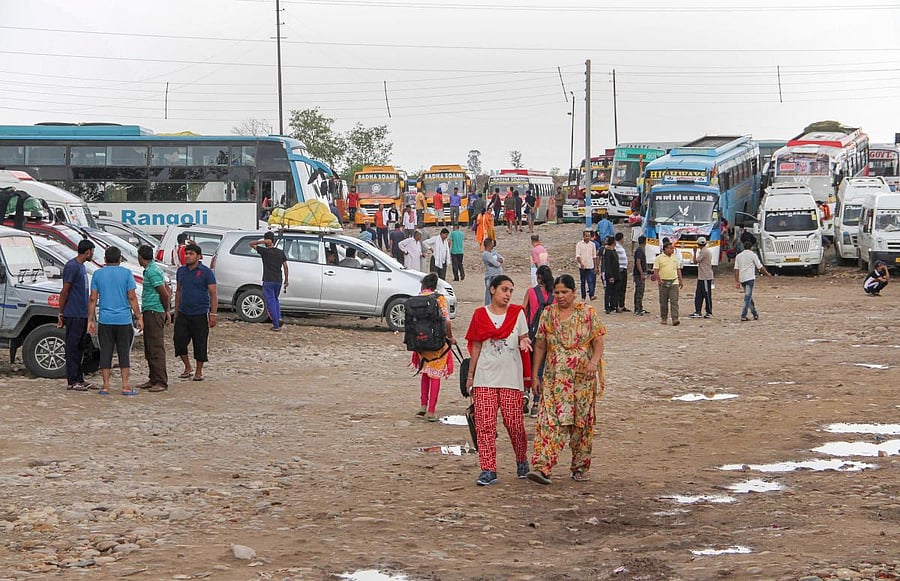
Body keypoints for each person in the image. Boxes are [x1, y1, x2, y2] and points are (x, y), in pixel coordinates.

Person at [527, 274, 606, 485]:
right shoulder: (548, 314)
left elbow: (598, 341)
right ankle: (542, 467)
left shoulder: (587, 313)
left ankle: (580, 467)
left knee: (581, 424)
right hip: (555, 378)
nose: (560, 296)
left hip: (582, 378)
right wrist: (535, 375)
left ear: (573, 292)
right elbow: (541, 346)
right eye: (557, 292)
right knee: (550, 421)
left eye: (565, 292)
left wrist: (593, 363)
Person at [464, 275, 531, 486]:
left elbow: (524, 338)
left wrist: (525, 342)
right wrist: (470, 375)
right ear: (492, 290)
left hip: (511, 378)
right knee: (485, 425)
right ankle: (488, 469)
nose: (508, 294)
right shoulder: (479, 315)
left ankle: (521, 459)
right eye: (504, 289)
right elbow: (475, 346)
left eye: (511, 290)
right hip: (485, 377)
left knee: (514, 424)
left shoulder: (517, 314)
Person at [88, 246, 143, 395]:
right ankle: (125, 386)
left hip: (105, 319)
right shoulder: (126, 274)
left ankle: (105, 386)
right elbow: (132, 297)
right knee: (123, 352)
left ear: (105, 259)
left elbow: (93, 298)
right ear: (120, 259)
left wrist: (90, 320)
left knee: (105, 352)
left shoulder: (98, 274)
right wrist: (139, 316)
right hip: (123, 320)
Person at [412, 273, 455, 422]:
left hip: (420, 342)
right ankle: (431, 411)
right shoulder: (439, 299)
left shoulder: (417, 298)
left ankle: (423, 405)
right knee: (435, 375)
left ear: (423, 285)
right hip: (437, 343)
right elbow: (447, 322)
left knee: (425, 371)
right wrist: (450, 337)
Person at [174, 244, 217, 381]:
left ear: (199, 256)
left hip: (200, 312)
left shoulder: (206, 272)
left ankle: (199, 371)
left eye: (191, 254)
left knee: (200, 343)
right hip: (183, 312)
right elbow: (179, 291)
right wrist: (176, 310)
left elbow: (213, 294)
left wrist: (213, 314)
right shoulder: (181, 271)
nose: (187, 256)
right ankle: (187, 366)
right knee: (179, 341)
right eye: (186, 253)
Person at [57, 239, 97, 391]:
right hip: (73, 314)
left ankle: (79, 378)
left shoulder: (81, 267)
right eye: (92, 251)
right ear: (87, 252)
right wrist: (61, 313)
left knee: (80, 348)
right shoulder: (72, 266)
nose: (92, 254)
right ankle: (72, 381)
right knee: (72, 348)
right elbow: (65, 291)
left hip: (82, 314)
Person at [136, 244, 171, 392]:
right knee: (149, 347)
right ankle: (153, 378)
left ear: (140, 257)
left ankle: (161, 381)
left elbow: (164, 293)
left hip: (154, 311)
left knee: (156, 347)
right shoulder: (150, 270)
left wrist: (165, 310)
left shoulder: (153, 271)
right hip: (149, 310)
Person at [523, 264, 554, 418]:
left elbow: (523, 310)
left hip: (530, 334)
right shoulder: (554, 296)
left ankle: (526, 393)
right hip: (547, 337)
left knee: (527, 366)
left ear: (539, 277)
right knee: (540, 370)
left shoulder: (530, 292)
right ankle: (536, 403)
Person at [250, 232, 289, 331]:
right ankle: (279, 318)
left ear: (267, 241)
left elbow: (251, 244)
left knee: (270, 301)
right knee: (275, 299)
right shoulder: (280, 252)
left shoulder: (264, 251)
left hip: (268, 279)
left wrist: (263, 241)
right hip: (278, 280)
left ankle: (276, 325)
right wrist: (286, 280)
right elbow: (285, 266)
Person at [734, 242, 770, 321]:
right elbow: (760, 267)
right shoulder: (753, 255)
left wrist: (737, 281)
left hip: (742, 278)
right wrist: (767, 274)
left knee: (749, 296)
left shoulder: (738, 256)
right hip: (750, 278)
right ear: (751, 247)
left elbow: (736, 269)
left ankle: (755, 313)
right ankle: (744, 315)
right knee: (747, 297)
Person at [654, 241, 683, 326]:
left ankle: (675, 318)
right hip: (663, 282)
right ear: (665, 249)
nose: (672, 250)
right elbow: (656, 270)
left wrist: (681, 280)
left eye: (673, 248)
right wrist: (659, 280)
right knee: (663, 302)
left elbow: (678, 269)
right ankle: (664, 318)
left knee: (674, 301)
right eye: (670, 248)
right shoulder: (659, 258)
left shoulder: (674, 258)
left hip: (674, 282)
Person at [691, 236, 714, 318]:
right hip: (702, 276)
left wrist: (694, 252)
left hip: (705, 276)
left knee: (706, 294)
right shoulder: (705, 251)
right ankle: (698, 311)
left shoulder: (704, 252)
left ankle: (709, 312)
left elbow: (695, 261)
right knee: (699, 295)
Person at [575, 230, 598, 301]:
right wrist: (581, 263)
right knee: (583, 282)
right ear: (583, 236)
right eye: (586, 236)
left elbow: (594, 256)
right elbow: (578, 256)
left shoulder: (592, 245)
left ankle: (591, 295)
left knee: (590, 281)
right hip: (582, 266)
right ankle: (583, 297)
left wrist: (596, 266)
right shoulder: (579, 244)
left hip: (590, 265)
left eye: (589, 236)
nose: (587, 237)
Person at [481, 238, 504, 305]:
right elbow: (496, 264)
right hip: (491, 276)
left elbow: (502, 259)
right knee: (489, 292)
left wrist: (498, 261)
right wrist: (499, 262)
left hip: (497, 275)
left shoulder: (493, 252)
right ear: (489, 244)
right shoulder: (486, 254)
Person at [601, 236, 619, 314]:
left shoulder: (613, 250)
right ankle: (607, 307)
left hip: (616, 274)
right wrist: (610, 276)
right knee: (608, 291)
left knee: (614, 291)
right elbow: (607, 264)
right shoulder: (608, 252)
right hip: (610, 274)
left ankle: (613, 306)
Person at [632, 235, 649, 316]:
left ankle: (640, 307)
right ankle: (637, 308)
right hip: (638, 275)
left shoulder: (641, 250)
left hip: (640, 274)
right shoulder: (639, 251)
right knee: (639, 291)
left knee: (641, 291)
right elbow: (638, 262)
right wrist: (642, 273)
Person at [614, 231, 629, 312]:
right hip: (619, 269)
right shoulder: (615, 246)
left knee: (623, 288)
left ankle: (622, 305)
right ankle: (616, 305)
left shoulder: (620, 246)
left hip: (624, 269)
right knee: (618, 288)